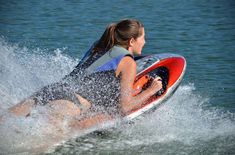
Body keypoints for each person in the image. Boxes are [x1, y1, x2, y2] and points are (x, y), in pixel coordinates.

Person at [8, 19, 163, 129]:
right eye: (143, 38)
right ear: (131, 41)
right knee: (33, 145)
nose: (145, 42)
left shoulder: (98, 46)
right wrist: (151, 90)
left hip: (53, 89)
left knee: (7, 123)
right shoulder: (128, 62)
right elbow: (125, 106)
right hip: (70, 103)